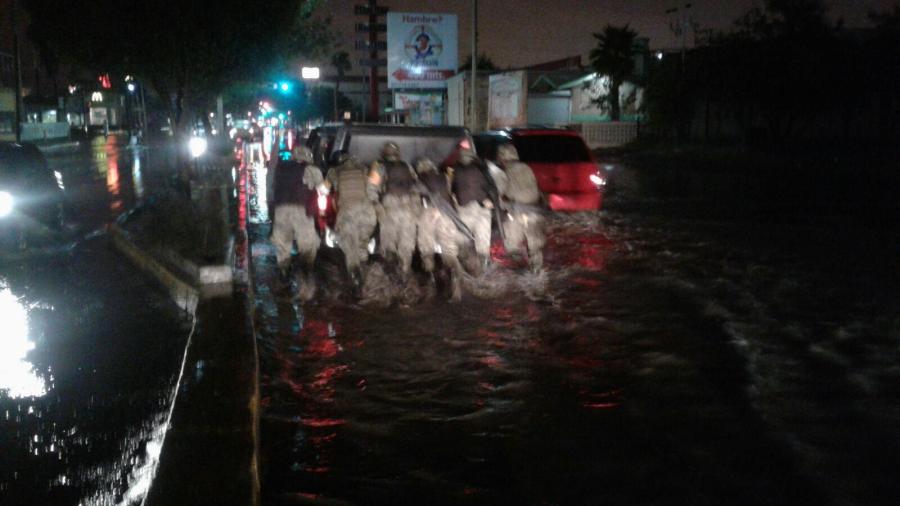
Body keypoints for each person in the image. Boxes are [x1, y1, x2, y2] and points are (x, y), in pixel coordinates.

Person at [414, 158, 471, 301]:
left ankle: (432, 284)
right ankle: (456, 287)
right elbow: (451, 195)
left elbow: (416, 200)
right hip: (447, 214)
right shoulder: (444, 177)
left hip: (429, 214)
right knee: (449, 252)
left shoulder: (419, 179)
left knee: (426, 248)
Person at [270, 145, 323, 297]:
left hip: (281, 210)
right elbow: (322, 190)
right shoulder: (311, 169)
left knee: (283, 245)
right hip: (301, 210)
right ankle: (306, 280)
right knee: (308, 245)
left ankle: (284, 275)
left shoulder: (281, 168)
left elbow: (272, 189)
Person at [325, 151, 377, 293]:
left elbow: (323, 189)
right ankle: (366, 278)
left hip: (348, 213)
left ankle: (356, 282)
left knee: (350, 248)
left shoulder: (334, 171)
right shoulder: (363, 169)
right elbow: (373, 188)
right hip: (367, 213)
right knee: (362, 244)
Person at [369, 141, 420, 279]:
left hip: (389, 207)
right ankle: (404, 275)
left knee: (389, 245)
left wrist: (376, 205)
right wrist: (416, 208)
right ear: (397, 154)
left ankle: (391, 279)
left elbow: (371, 188)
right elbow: (416, 186)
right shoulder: (407, 166)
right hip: (408, 207)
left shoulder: (379, 167)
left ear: (384, 154)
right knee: (406, 246)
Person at [494, 144, 545, 272]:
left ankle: (521, 272)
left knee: (511, 246)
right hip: (534, 212)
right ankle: (537, 273)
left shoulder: (503, 172)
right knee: (535, 248)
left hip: (516, 212)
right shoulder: (527, 168)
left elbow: (498, 195)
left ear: (501, 158)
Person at [450, 147, 495, 271]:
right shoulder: (481, 168)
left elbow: (453, 189)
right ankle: (482, 265)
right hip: (480, 207)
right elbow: (491, 185)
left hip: (467, 207)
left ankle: (465, 268)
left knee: (463, 238)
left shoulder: (457, 170)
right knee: (482, 238)